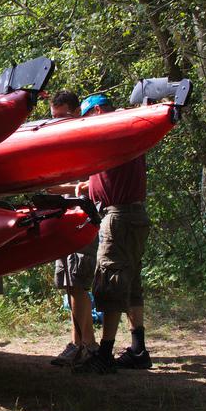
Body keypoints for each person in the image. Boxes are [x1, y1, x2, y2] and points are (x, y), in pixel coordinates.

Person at [72, 94, 152, 374]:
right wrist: (89, 185)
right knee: (131, 284)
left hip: (119, 218)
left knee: (110, 281)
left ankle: (104, 354)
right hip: (132, 216)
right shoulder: (126, 131)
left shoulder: (114, 128)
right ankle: (138, 349)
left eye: (85, 118)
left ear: (96, 111)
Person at [46, 91, 99, 367]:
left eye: (63, 116)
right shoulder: (59, 142)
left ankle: (88, 346)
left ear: (77, 112)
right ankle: (76, 343)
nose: (58, 122)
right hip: (62, 220)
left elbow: (96, 184)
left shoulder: (88, 140)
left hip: (82, 220)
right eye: (53, 117)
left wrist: (64, 188)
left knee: (78, 284)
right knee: (67, 285)